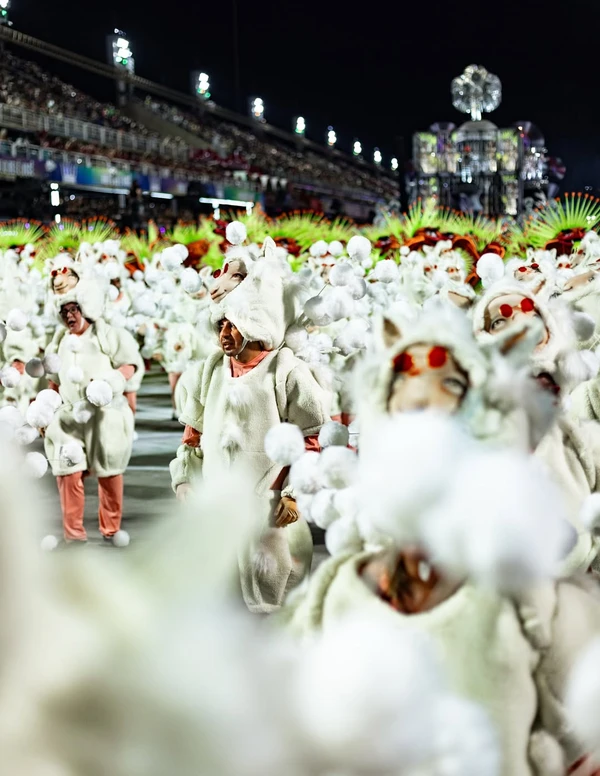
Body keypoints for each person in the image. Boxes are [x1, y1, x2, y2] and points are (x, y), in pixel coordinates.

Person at [170, 264, 329, 612]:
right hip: (219, 507)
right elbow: (193, 434)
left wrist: (294, 495)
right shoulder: (211, 370)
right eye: (221, 324)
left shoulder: (286, 371)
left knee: (271, 594)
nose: (224, 333)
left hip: (269, 509)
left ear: (256, 325)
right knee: (222, 597)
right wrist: (185, 478)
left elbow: (314, 438)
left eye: (234, 324)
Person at [41, 283, 141, 546]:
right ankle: (73, 534)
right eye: (64, 311)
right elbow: (53, 379)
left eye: (74, 309)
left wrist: (110, 384)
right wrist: (45, 410)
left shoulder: (107, 334)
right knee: (67, 471)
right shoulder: (59, 340)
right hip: (68, 417)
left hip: (104, 416)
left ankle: (111, 529)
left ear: (85, 308)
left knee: (109, 471)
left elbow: (129, 364)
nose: (69, 316)